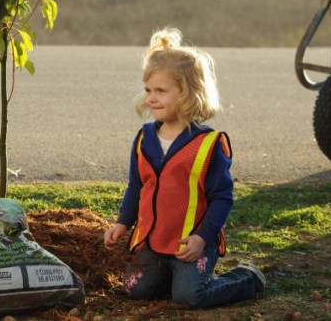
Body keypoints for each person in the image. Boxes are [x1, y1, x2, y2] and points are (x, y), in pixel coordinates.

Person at [103, 27, 266, 308]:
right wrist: (122, 222)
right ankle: (173, 276)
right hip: (154, 241)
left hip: (190, 243)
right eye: (148, 90)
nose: (151, 98)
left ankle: (248, 278)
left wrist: (202, 238)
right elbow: (137, 186)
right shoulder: (144, 138)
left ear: (188, 93)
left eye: (161, 91)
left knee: (191, 296)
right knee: (134, 289)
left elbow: (222, 198)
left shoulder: (208, 144)